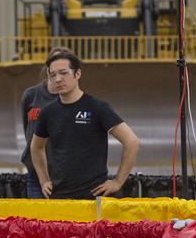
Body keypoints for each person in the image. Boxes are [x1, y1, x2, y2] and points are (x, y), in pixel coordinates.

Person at [30, 47, 140, 200]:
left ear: (77, 74)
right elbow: (36, 147)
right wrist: (43, 181)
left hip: (94, 197)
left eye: (63, 73)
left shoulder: (97, 107)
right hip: (59, 197)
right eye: (53, 75)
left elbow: (132, 142)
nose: (58, 79)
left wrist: (117, 181)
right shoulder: (48, 113)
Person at [19, 70, 59, 198]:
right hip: (35, 172)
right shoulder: (30, 95)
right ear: (48, 70)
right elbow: (28, 130)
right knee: (35, 217)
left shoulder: (72, 100)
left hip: (62, 174)